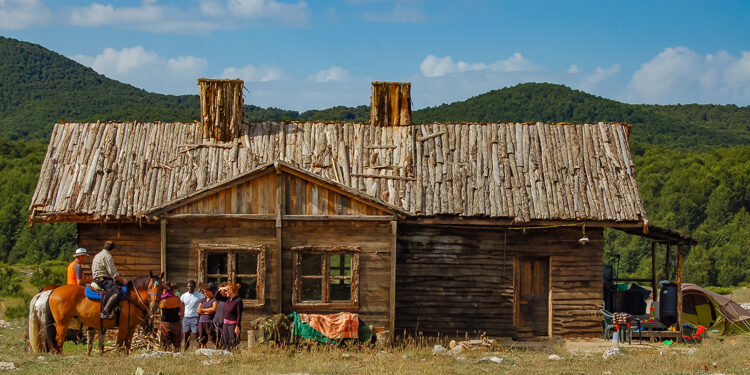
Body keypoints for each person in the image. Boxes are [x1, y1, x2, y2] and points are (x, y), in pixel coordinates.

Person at [90, 241, 126, 319]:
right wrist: (123, 281)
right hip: (104, 280)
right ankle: (105, 311)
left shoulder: (98, 255)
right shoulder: (108, 256)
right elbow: (113, 274)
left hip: (97, 279)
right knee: (116, 292)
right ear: (112, 249)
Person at [215, 283, 243, 350]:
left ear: (231, 291)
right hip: (225, 324)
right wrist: (221, 288)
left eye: (226, 290)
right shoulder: (227, 299)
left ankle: (236, 356)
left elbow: (239, 315)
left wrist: (237, 326)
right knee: (226, 342)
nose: (225, 292)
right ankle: (228, 356)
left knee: (233, 342)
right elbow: (216, 296)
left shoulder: (238, 300)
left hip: (233, 324)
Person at [159, 281, 184, 352]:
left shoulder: (162, 300)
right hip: (176, 322)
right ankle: (177, 353)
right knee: (177, 342)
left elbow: (160, 306)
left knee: (166, 342)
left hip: (165, 323)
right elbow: (181, 311)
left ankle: (167, 353)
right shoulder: (177, 299)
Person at [180, 280, 204, 350]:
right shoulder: (184, 296)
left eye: (191, 286)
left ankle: (199, 348)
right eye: (189, 286)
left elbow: (203, 304)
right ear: (187, 287)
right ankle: (185, 348)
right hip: (186, 317)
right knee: (185, 334)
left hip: (195, 317)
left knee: (196, 333)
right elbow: (181, 305)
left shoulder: (200, 296)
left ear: (195, 287)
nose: (190, 288)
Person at [196, 283, 218, 348]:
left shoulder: (214, 299)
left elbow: (214, 309)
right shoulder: (203, 300)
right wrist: (207, 311)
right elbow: (198, 310)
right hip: (201, 321)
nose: (205, 293)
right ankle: (203, 351)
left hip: (210, 321)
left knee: (212, 337)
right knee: (202, 339)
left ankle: (217, 349)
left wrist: (203, 310)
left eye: (206, 292)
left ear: (210, 291)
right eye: (204, 292)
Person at [212, 282, 228, 349]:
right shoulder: (220, 299)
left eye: (222, 291)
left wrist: (225, 288)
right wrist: (219, 290)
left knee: (225, 341)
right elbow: (215, 296)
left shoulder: (228, 299)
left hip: (224, 324)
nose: (220, 292)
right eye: (220, 290)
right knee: (218, 341)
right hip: (217, 323)